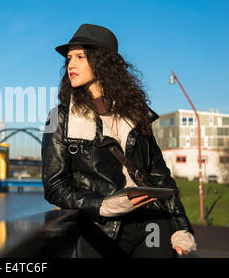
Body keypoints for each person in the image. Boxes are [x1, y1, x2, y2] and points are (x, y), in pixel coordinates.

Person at [42, 24, 196, 258]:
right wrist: (102, 205)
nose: (70, 65)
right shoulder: (60, 118)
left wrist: (181, 226)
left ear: (103, 62)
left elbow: (158, 174)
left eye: (79, 57)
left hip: (151, 222)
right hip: (101, 229)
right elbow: (54, 185)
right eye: (69, 58)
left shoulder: (135, 113)